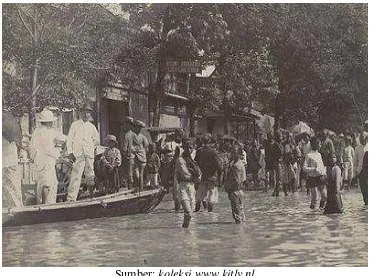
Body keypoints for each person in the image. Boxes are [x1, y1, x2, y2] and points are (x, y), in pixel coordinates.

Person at [66, 103, 100, 201]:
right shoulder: (75, 125)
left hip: (88, 154)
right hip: (78, 154)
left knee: (90, 174)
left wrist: (91, 148)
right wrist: (70, 152)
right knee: (76, 175)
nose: (86, 115)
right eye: (85, 112)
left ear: (90, 114)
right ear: (81, 113)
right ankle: (71, 198)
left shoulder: (92, 127)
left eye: (88, 113)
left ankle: (91, 195)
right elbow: (69, 139)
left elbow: (96, 140)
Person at [30, 109, 61, 204]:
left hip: (38, 160)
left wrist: (33, 157)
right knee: (48, 184)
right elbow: (48, 149)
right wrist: (58, 154)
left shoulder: (36, 131)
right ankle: (46, 205)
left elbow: (32, 147)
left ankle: (41, 204)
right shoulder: (46, 133)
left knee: (41, 183)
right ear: (49, 122)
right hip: (47, 161)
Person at [175, 138, 202, 228]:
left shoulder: (192, 160)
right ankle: (185, 229)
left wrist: (196, 177)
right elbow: (186, 175)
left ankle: (186, 232)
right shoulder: (180, 160)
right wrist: (196, 177)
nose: (189, 150)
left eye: (191, 148)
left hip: (191, 187)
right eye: (187, 148)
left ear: (193, 148)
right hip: (183, 186)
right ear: (183, 148)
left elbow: (199, 175)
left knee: (190, 216)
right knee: (188, 213)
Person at [194, 133, 222, 212]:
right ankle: (210, 212)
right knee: (211, 195)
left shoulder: (199, 151)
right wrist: (219, 179)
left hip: (202, 176)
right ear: (210, 141)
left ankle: (197, 211)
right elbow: (219, 166)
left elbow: (196, 164)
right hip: (212, 177)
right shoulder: (213, 152)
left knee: (199, 196)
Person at [2, 119, 23, 208]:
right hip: (11, 165)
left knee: (10, 189)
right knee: (14, 188)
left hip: (7, 165)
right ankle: (18, 207)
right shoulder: (12, 141)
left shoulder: (5, 141)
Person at [303, 136, 327, 210]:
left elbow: (321, 166)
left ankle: (321, 209)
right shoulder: (309, 155)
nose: (320, 145)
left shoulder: (319, 154)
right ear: (315, 144)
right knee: (315, 197)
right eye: (319, 144)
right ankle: (312, 213)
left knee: (324, 195)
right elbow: (304, 168)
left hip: (320, 176)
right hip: (312, 178)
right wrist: (313, 169)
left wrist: (324, 172)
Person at [224, 144, 247, 224]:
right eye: (232, 152)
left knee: (237, 215)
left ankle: (238, 232)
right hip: (241, 190)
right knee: (241, 212)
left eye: (235, 152)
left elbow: (236, 181)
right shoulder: (241, 164)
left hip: (235, 190)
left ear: (239, 154)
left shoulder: (235, 166)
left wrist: (228, 188)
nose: (233, 154)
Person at [130, 120, 149, 192]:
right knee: (137, 174)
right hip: (137, 156)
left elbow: (146, 146)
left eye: (139, 128)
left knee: (140, 174)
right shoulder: (136, 136)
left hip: (139, 157)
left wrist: (135, 149)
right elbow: (146, 146)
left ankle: (140, 189)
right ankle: (139, 188)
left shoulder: (140, 137)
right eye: (138, 127)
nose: (138, 129)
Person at [271, 130, 284, 197]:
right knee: (279, 178)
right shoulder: (275, 144)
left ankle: (276, 192)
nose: (282, 137)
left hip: (279, 162)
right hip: (277, 163)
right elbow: (274, 154)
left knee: (279, 178)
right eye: (281, 136)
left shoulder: (279, 144)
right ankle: (275, 192)